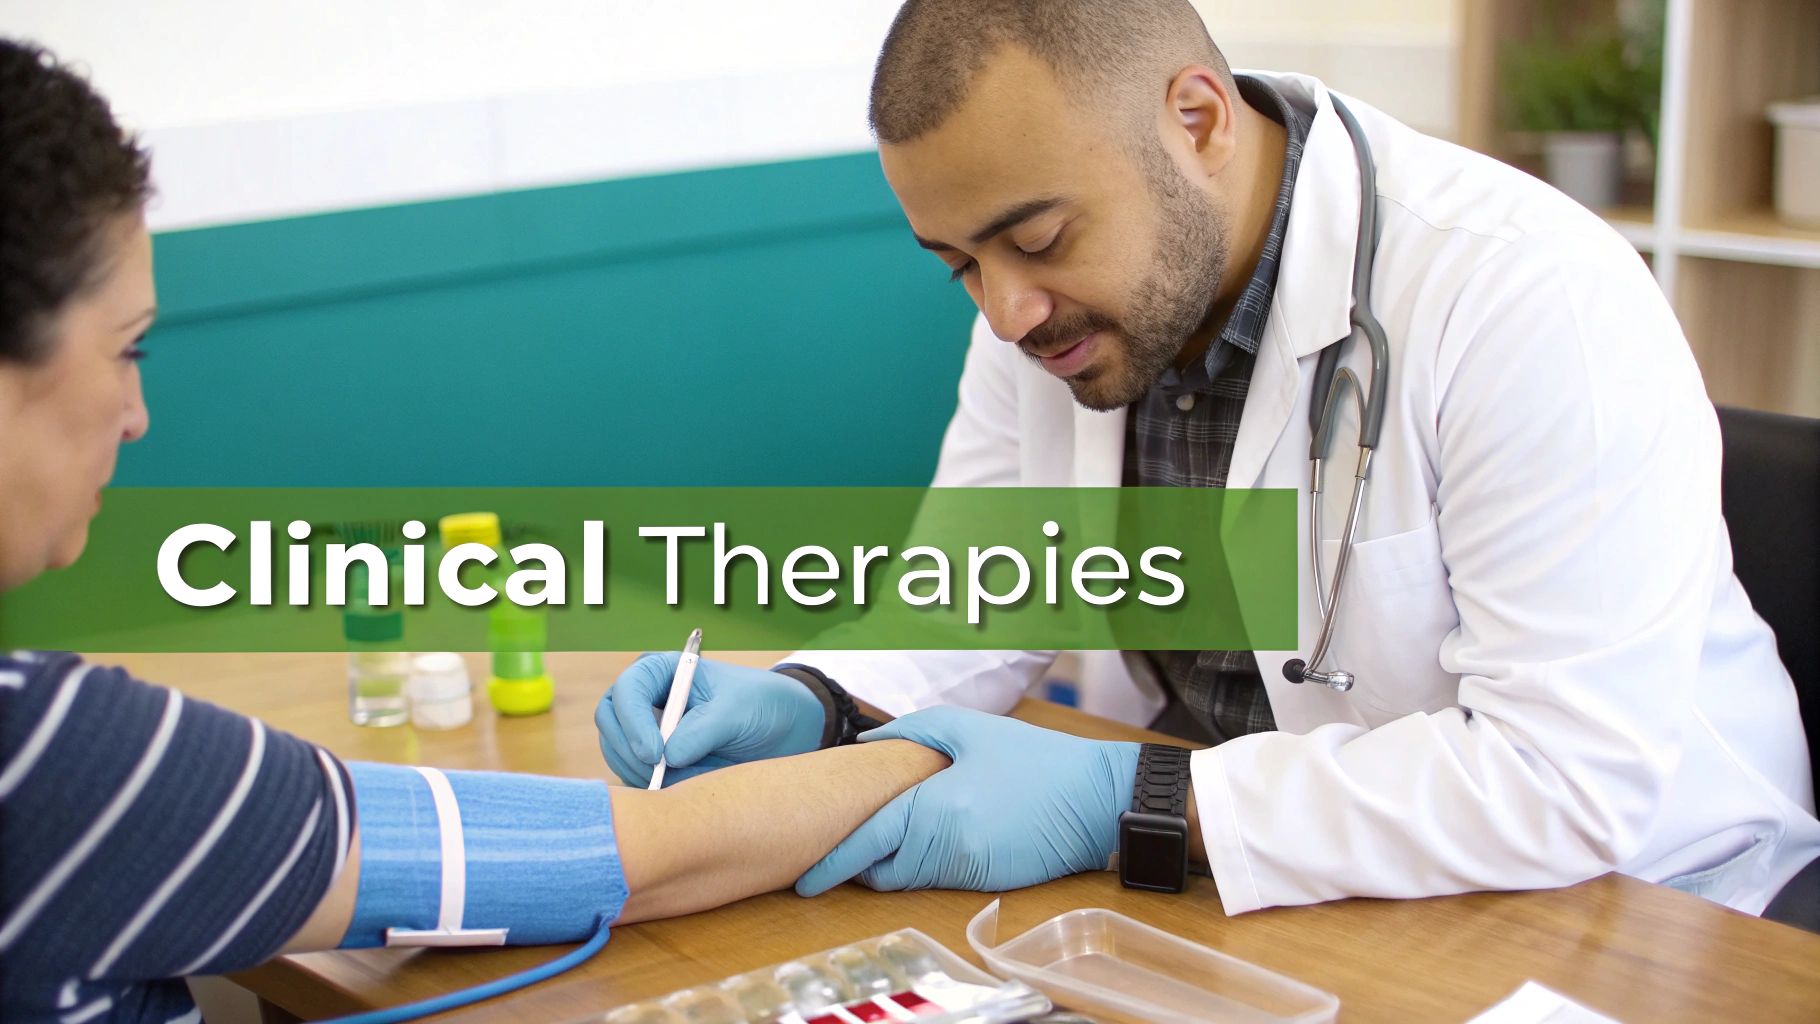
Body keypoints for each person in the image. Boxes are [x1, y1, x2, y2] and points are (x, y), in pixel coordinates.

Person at [598, 0, 1820, 915]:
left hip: (1643, 896)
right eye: (959, 265)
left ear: (1195, 121)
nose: (1005, 312)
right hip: (1255, 875)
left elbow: (1559, 777)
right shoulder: (1041, 315)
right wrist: (813, 696)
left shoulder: (1519, 293)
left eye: (1037, 238)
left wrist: (1120, 797)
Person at [0, 39, 949, 1024]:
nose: (136, 414)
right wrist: (938, 755)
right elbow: (631, 853)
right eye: (127, 349)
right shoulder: (51, 765)